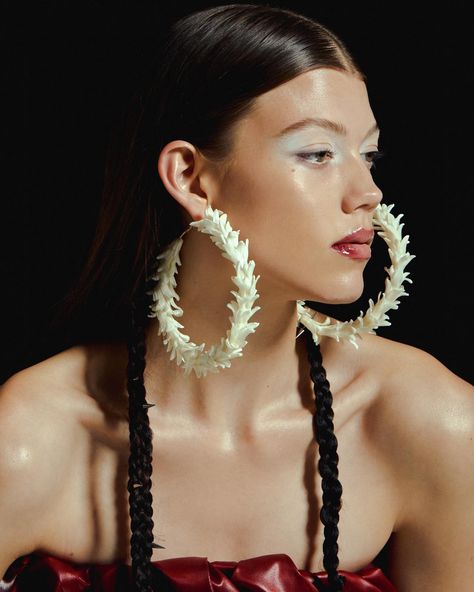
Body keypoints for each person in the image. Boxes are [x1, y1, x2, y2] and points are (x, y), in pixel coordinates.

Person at [1, 4, 473, 592]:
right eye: (317, 153)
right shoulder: (26, 440)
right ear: (192, 178)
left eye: (368, 154)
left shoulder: (431, 423)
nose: (367, 193)